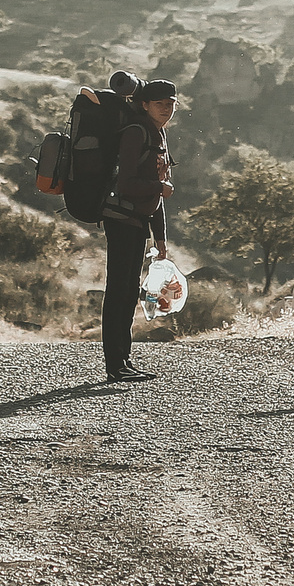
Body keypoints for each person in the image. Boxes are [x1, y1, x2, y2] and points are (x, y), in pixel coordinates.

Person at [99, 75, 179, 382]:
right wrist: (159, 185)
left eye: (170, 104)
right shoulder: (136, 133)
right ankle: (115, 365)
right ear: (144, 104)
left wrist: (160, 240)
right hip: (120, 219)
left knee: (129, 290)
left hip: (137, 222)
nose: (166, 109)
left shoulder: (157, 134)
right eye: (159, 104)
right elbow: (127, 184)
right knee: (119, 289)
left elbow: (158, 193)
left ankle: (124, 361)